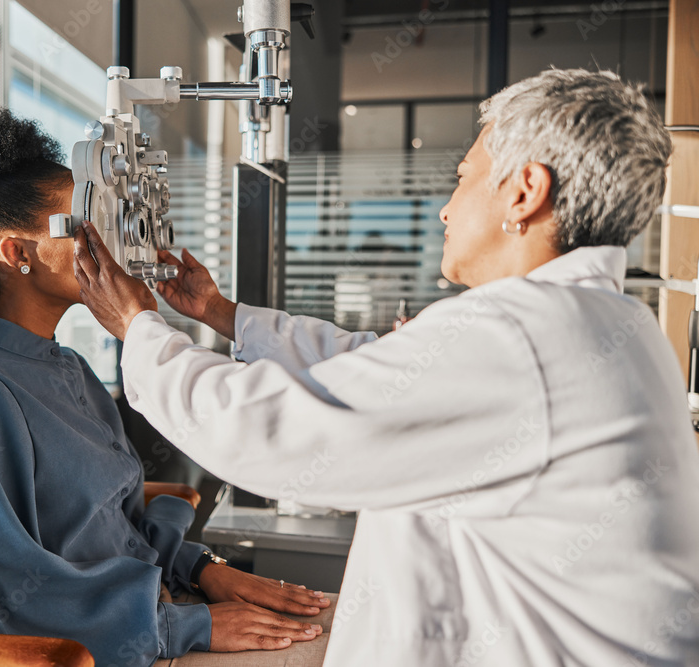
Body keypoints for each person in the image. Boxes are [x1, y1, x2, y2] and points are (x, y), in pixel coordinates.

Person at [72, 69, 699, 665]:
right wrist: (220, 313)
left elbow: (273, 430)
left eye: (463, 177)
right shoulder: (604, 322)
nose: (447, 209)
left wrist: (137, 328)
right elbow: (376, 367)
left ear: (524, 191)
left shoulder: (523, 337)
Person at [0, 108, 332, 667]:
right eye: (82, 223)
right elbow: (11, 597)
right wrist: (182, 626)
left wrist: (202, 569)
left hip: (167, 607)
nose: (103, 239)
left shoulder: (71, 369)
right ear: (17, 253)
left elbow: (121, 523)